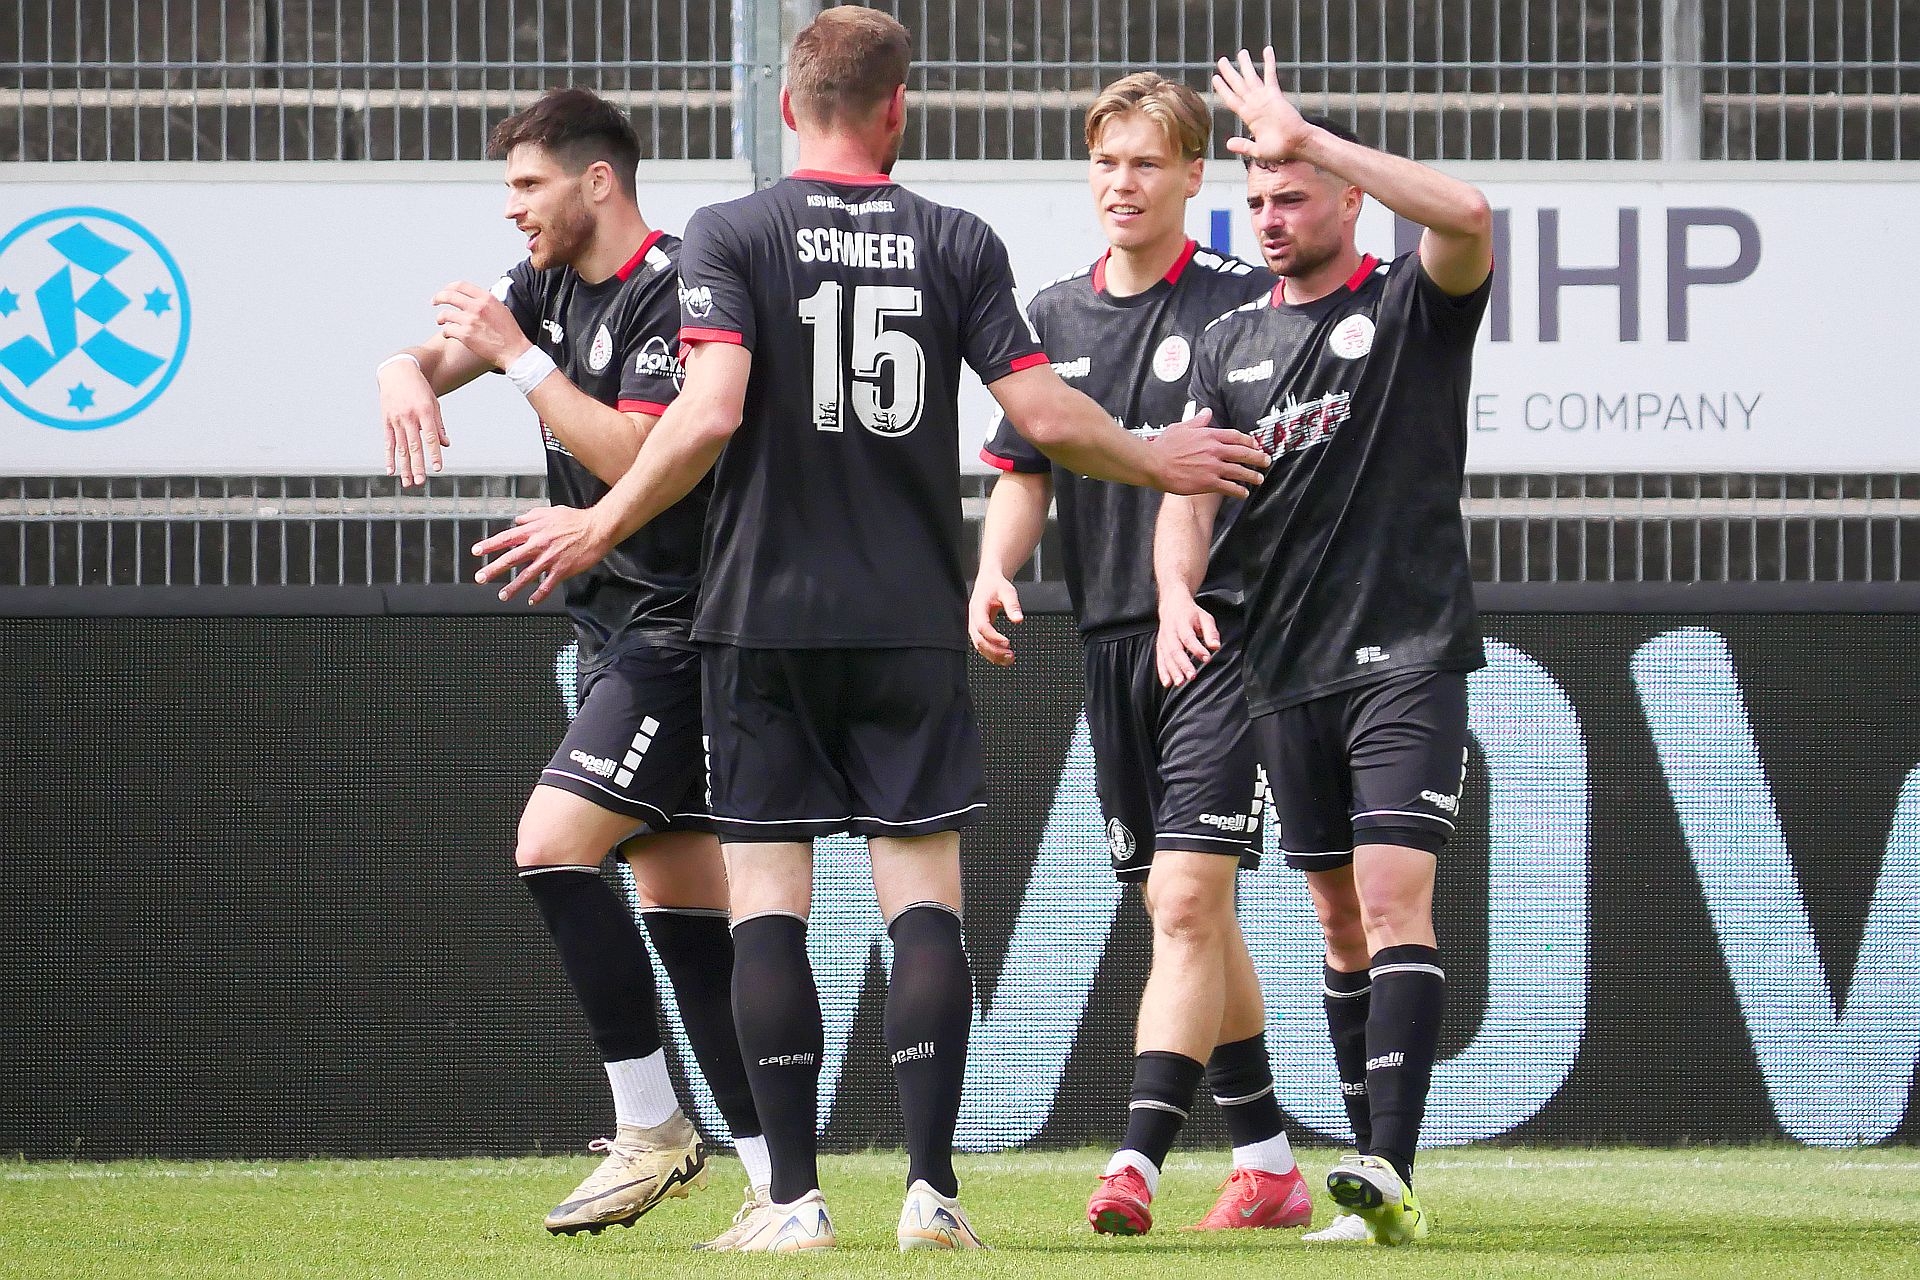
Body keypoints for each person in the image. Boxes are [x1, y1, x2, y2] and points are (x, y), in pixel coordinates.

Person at [471, 8, 1268, 1254]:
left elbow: (708, 412)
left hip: (760, 618)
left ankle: (792, 1199)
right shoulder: (956, 238)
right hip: (906, 616)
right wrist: (1158, 456)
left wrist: (600, 521)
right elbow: (1043, 415)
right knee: (923, 903)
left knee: (768, 904)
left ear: (792, 107)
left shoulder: (732, 232)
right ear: (899, 108)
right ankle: (931, 1190)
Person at [373, 87, 770, 1240]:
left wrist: (518, 359)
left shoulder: (675, 282)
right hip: (614, 632)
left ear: (598, 181)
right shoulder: (547, 285)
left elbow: (641, 450)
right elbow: (440, 354)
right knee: (684, 914)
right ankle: (777, 1185)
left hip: (681, 630)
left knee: (550, 844)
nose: (513, 208)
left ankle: (650, 1126)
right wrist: (401, 365)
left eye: (528, 184)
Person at [1155, 50, 1496, 1246]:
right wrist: (1172, 591)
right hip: (1281, 670)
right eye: (1257, 197)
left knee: (1396, 899)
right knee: (1341, 922)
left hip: (1406, 649)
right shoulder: (1228, 342)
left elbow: (1469, 213)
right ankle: (1366, 1179)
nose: (1270, 214)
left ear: (1349, 199)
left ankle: (1386, 1166)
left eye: (1292, 192)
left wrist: (1309, 133)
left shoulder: (1408, 305)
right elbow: (1188, 490)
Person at [970, 72, 1309, 1238]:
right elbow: (1024, 473)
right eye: (1106, 161)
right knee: (1191, 911)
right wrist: (995, 567)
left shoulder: (1241, 303)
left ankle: (1137, 1161)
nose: (1122, 182)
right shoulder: (1051, 316)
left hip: (1220, 634)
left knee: (1184, 898)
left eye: (1146, 163)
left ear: (1194, 175)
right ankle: (1267, 1164)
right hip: (1111, 642)